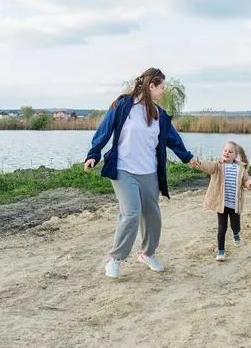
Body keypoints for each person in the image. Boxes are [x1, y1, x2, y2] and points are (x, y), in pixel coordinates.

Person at [84, 67, 198, 278]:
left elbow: (173, 140)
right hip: (124, 169)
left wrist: (188, 157)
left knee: (152, 215)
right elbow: (105, 130)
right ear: (151, 86)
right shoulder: (123, 105)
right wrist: (94, 154)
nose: (164, 91)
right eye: (162, 87)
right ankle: (115, 259)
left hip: (150, 172)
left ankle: (148, 254)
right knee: (132, 213)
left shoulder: (160, 115)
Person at [192, 141, 251, 261]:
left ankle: (236, 233)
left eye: (230, 151)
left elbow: (246, 179)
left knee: (235, 225)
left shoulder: (240, 168)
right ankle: (221, 251)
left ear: (235, 155)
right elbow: (209, 166)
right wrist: (200, 163)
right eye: (225, 150)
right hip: (221, 204)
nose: (227, 153)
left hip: (234, 205)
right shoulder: (218, 165)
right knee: (222, 228)